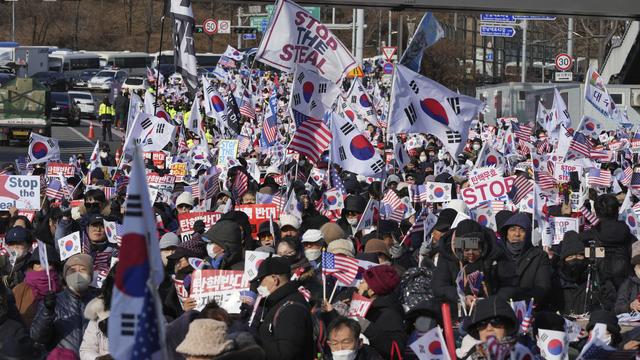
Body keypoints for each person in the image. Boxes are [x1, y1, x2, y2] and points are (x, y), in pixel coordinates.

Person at [31, 253, 96, 356]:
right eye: (72, 270)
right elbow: (37, 336)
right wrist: (47, 311)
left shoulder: (98, 304)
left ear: (91, 276)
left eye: (82, 270)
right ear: (65, 276)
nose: (77, 274)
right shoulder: (53, 302)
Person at [252, 257, 315, 360]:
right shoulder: (278, 303)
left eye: (261, 280)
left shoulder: (291, 308)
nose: (259, 285)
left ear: (274, 279)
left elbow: (286, 354)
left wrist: (254, 340)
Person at [581, 194, 637, 289]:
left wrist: (596, 252)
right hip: (625, 287)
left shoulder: (588, 236)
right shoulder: (629, 236)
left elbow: (575, 252)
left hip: (598, 287)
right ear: (617, 210)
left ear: (596, 213)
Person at [552, 231, 616, 314]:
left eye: (579, 255)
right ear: (563, 260)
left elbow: (610, 302)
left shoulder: (597, 278)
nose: (575, 259)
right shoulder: (556, 281)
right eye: (570, 257)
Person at [496, 212, 551, 304]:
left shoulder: (539, 256)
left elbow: (543, 287)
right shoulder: (497, 254)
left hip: (528, 309)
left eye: (522, 230)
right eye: (512, 230)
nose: (517, 234)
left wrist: (519, 301)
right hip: (500, 307)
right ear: (506, 233)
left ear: (528, 234)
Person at [355, 265, 406, 360]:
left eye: (363, 282)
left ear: (372, 291)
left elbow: (396, 349)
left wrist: (367, 327)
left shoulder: (390, 314)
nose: (359, 285)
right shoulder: (371, 308)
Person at [615, 241, 640, 314]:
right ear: (635, 268)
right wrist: (630, 306)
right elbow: (618, 307)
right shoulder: (629, 284)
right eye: (639, 265)